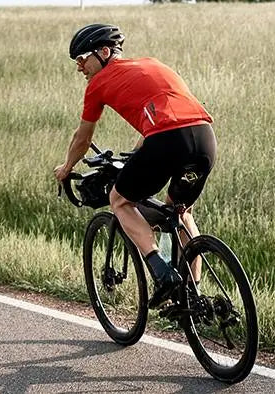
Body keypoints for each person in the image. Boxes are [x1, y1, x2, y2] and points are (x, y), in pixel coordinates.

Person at [54, 24, 217, 308]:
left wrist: (66, 167)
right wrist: (141, 149)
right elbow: (169, 113)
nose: (80, 67)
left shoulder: (97, 85)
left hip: (166, 141)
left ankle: (161, 271)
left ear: (104, 53)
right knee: (180, 211)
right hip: (203, 138)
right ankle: (193, 297)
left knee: (119, 200)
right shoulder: (151, 64)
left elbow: (83, 137)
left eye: (83, 59)